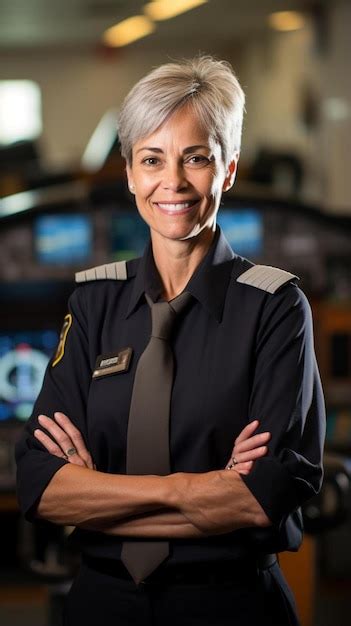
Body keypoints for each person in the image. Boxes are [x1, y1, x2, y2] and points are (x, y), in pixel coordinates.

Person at [15, 56, 325, 626]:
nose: (173, 182)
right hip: (101, 606)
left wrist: (98, 500)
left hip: (231, 605)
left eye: (197, 158)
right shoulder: (93, 304)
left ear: (228, 169)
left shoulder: (277, 309)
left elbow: (258, 499)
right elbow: (41, 487)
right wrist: (193, 489)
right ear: (130, 173)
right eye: (151, 159)